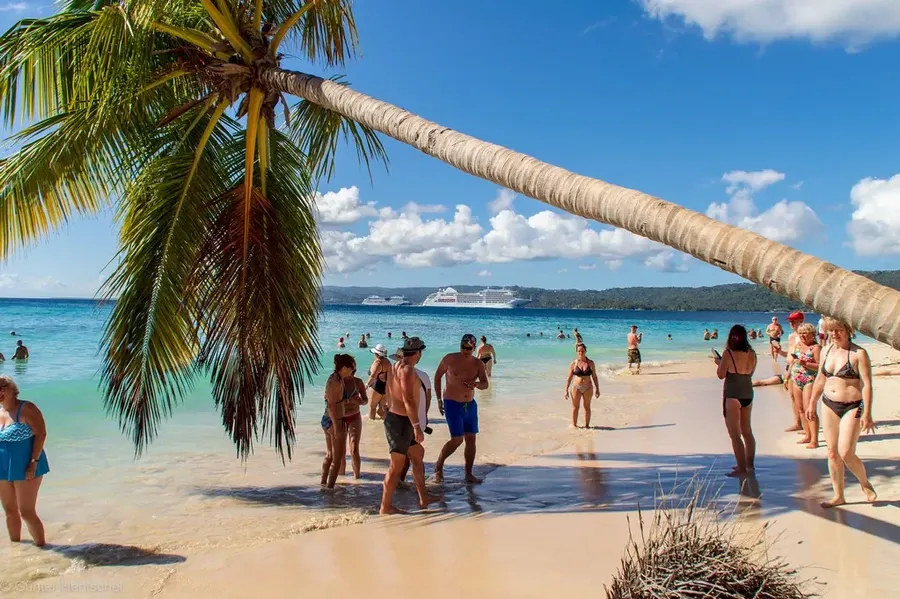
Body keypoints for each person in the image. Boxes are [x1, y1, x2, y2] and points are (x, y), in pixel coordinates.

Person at [808, 318, 877, 508]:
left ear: (848, 330)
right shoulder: (826, 350)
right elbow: (821, 378)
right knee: (832, 453)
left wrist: (867, 412)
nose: (835, 334)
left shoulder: (858, 353)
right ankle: (838, 496)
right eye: (832, 331)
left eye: (839, 330)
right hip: (829, 404)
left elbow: (867, 384)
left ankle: (865, 483)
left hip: (853, 406)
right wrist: (811, 403)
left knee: (846, 451)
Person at [379, 337, 439, 514]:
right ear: (418, 353)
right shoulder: (406, 370)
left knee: (418, 454)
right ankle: (385, 507)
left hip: (399, 419)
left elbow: (390, 392)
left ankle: (423, 498)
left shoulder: (395, 366)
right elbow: (408, 399)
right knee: (396, 466)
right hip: (400, 422)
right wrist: (416, 426)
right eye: (421, 352)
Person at [0, 375, 49, 547]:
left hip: (27, 464)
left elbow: (41, 434)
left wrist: (33, 461)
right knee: (10, 511)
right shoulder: (0, 412)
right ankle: (17, 550)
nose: (0, 391)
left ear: (12, 389)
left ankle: (44, 548)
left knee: (26, 512)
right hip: (3, 467)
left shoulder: (26, 408)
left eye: (3, 386)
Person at [433, 334, 489, 484]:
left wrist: (476, 384)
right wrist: (438, 399)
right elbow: (437, 376)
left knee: (471, 439)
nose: (466, 351)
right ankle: (439, 466)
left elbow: (485, 384)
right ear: (460, 346)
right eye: (463, 347)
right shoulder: (450, 359)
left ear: (474, 348)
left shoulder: (478, 363)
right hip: (452, 403)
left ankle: (468, 474)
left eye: (469, 348)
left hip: (469, 405)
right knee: (457, 439)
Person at [715, 325, 757, 478]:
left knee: (735, 435)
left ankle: (741, 468)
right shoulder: (752, 353)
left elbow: (721, 375)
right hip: (747, 393)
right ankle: (749, 465)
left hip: (733, 394)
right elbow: (750, 372)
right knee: (747, 432)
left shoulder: (728, 353)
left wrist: (719, 362)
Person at [320, 355, 366, 487]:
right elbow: (333, 406)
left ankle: (323, 484)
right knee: (337, 458)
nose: (353, 369)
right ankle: (330, 489)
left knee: (330, 455)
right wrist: (337, 428)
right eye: (352, 367)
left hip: (327, 419)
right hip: (334, 420)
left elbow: (330, 402)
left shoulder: (333, 377)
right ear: (345, 368)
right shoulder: (337, 382)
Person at [792, 323, 822, 449]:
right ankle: (808, 435)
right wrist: (788, 376)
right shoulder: (798, 345)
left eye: (805, 333)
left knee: (809, 409)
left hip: (809, 379)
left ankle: (815, 439)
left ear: (812, 334)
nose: (802, 336)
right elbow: (793, 361)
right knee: (800, 410)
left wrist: (804, 363)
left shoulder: (816, 348)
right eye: (800, 333)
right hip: (796, 378)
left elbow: (820, 366)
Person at [779, 311, 806, 432]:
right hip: (789, 366)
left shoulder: (804, 336)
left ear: (801, 321)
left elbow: (801, 356)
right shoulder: (791, 336)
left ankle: (807, 424)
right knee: (792, 397)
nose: (791, 323)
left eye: (794, 321)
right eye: (790, 321)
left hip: (799, 369)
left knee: (802, 398)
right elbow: (790, 354)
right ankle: (797, 423)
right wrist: (780, 352)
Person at [564, 343, 600, 428]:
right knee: (575, 408)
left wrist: (597, 389)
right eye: (579, 351)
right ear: (577, 352)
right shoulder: (573, 363)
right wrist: (566, 390)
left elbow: (594, 377)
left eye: (582, 351)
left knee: (587, 407)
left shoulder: (591, 363)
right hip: (576, 387)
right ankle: (574, 427)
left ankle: (587, 426)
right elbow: (569, 378)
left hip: (588, 387)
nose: (581, 352)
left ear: (585, 351)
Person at [366, 344, 391, 420]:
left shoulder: (377, 363)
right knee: (382, 407)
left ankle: (371, 425)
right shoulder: (387, 361)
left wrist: (366, 386)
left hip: (376, 386)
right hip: (385, 387)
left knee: (372, 407)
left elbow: (373, 376)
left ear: (376, 354)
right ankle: (383, 424)